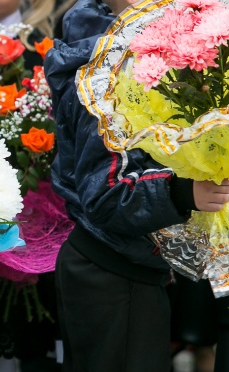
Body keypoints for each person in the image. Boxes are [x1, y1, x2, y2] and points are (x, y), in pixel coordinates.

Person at [44, 0, 229, 371]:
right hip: (109, 267)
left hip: (136, 265)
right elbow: (105, 194)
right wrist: (182, 191)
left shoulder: (158, 46)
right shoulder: (106, 68)